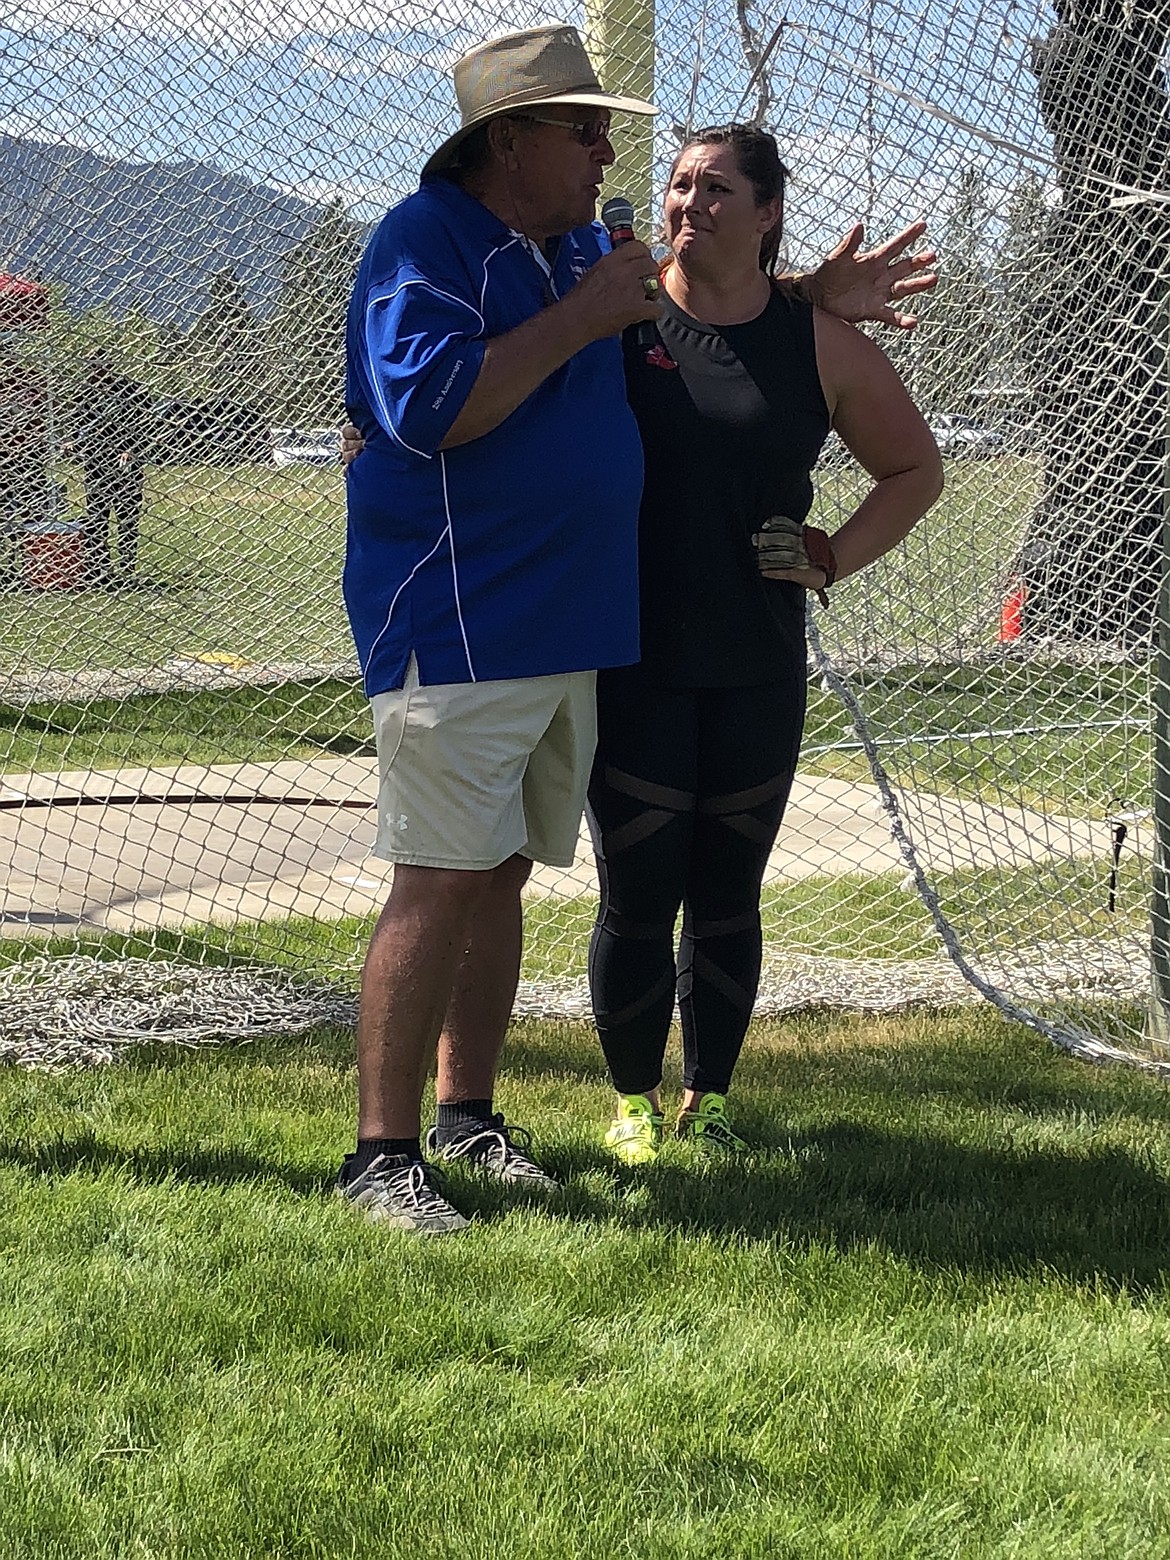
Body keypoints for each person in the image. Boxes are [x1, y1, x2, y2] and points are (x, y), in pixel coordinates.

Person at [338, 23, 937, 1236]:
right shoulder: (429, 242)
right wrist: (590, 310)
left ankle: (469, 1120)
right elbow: (433, 410)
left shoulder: (566, 254)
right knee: (441, 875)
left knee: (498, 874)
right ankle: (379, 1157)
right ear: (509, 141)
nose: (611, 153)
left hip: (565, 633)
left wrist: (807, 297)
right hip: (460, 622)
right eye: (586, 130)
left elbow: (702, 331)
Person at [590, 124, 942, 1164]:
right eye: (682, 184)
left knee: (729, 893)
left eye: (718, 188)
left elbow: (914, 470)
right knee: (640, 892)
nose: (689, 202)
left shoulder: (817, 340)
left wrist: (831, 555)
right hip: (634, 653)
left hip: (755, 657)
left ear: (768, 210)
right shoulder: (621, 310)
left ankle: (713, 1100)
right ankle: (630, 1106)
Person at [72, 355, 154, 587]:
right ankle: (101, 567)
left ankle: (128, 566)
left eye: (100, 368)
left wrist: (132, 449)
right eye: (92, 368)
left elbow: (143, 425)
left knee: (127, 515)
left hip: (126, 464)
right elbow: (80, 427)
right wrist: (73, 444)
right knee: (97, 516)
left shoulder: (129, 391)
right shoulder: (85, 395)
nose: (95, 373)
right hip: (96, 463)